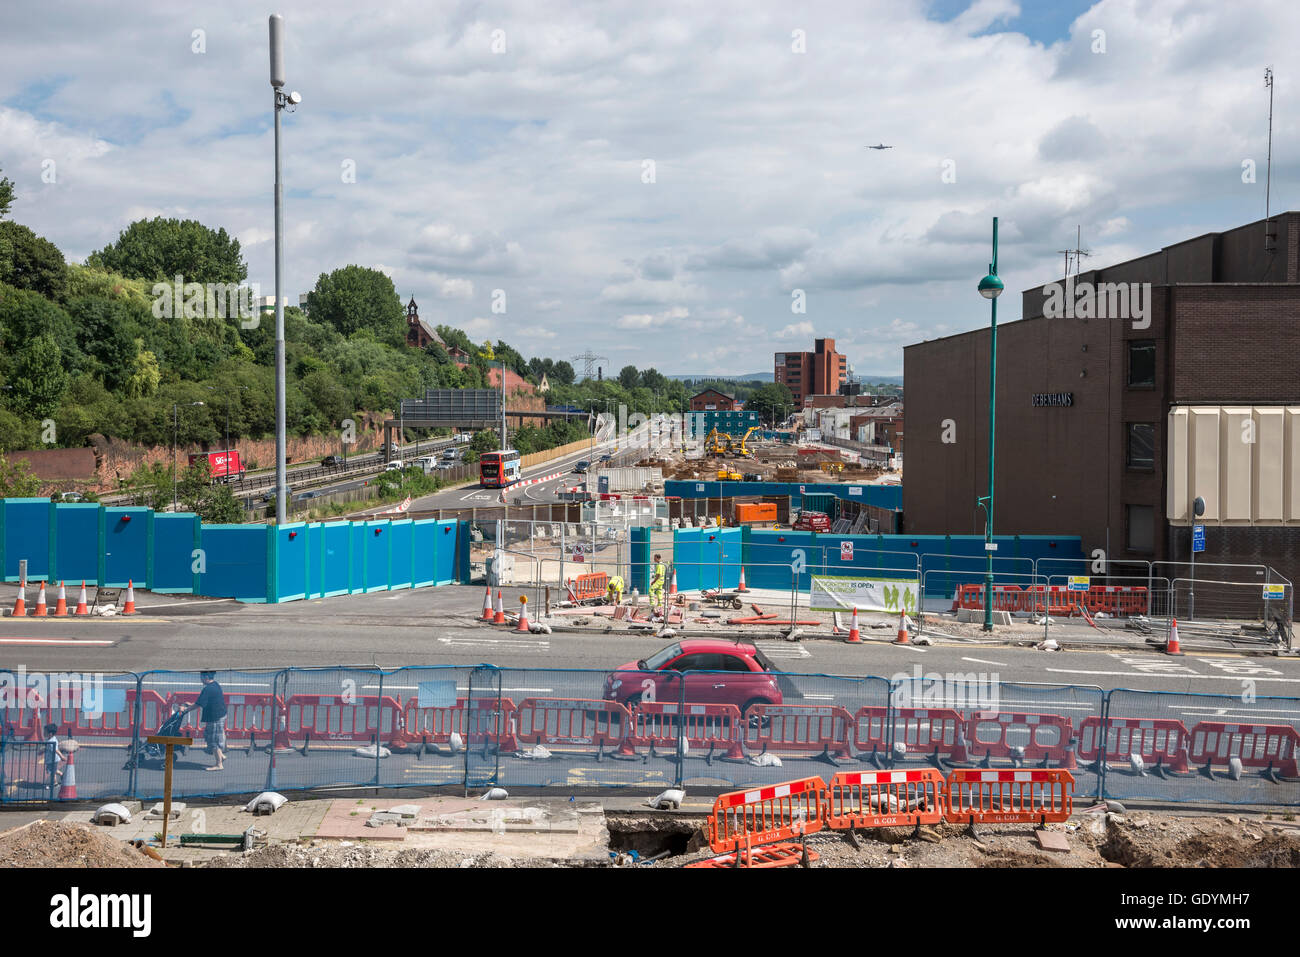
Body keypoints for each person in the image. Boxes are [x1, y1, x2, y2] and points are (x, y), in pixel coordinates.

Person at [183, 671, 227, 771]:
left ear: (206, 677)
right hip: (220, 715)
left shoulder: (208, 689)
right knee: (212, 736)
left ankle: (219, 764)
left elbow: (199, 704)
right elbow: (201, 702)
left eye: (201, 677)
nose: (200, 679)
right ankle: (221, 756)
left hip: (215, 717)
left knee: (213, 741)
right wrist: (191, 704)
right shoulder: (215, 685)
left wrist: (186, 710)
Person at [44, 723, 65, 797]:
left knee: (51, 772)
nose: (44, 733)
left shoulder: (50, 742)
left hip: (52, 759)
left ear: (50, 734)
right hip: (53, 759)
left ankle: (54, 784)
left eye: (45, 732)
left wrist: (62, 756)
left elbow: (56, 750)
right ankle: (62, 775)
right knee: (53, 770)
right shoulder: (53, 738)